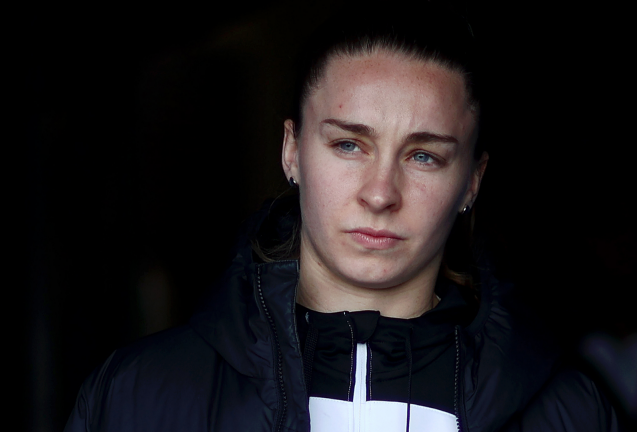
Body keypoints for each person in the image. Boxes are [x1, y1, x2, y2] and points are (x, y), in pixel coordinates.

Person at [64, 3, 621, 431]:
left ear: (471, 181)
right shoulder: (140, 393)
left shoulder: (567, 410)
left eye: (423, 155)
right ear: (292, 149)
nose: (380, 194)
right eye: (350, 145)